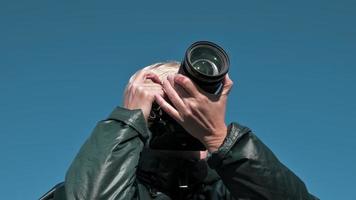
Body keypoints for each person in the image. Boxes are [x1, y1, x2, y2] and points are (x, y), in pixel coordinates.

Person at [40, 62, 319, 200]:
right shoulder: (92, 185)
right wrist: (129, 119)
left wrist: (220, 139)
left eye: (186, 104)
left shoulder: (234, 192)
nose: (178, 118)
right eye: (163, 104)